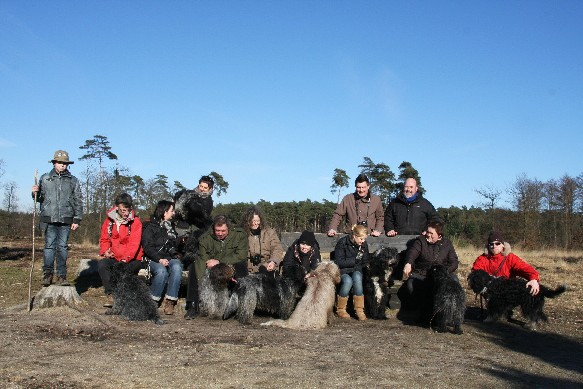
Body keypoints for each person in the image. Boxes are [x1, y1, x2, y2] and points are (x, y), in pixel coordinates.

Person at [32, 150, 83, 286]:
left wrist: (77, 219)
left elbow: (78, 199)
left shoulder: (73, 181)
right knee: (49, 247)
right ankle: (47, 275)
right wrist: (34, 193)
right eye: (60, 162)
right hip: (49, 218)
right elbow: (40, 198)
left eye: (65, 163)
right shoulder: (45, 178)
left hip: (66, 219)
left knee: (62, 247)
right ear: (54, 163)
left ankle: (62, 276)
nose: (62, 165)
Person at [185, 215, 248, 319]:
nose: (220, 233)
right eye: (217, 230)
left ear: (229, 228)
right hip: (213, 267)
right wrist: (200, 279)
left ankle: (242, 306)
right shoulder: (205, 238)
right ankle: (192, 305)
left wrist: (219, 261)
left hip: (230, 263)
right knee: (193, 267)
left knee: (241, 266)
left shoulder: (239, 235)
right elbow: (202, 258)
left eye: (223, 231)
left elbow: (241, 255)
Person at [399, 221, 459, 322]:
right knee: (411, 284)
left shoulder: (447, 244)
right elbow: (412, 253)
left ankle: (449, 314)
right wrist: (409, 263)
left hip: (440, 274)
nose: (428, 235)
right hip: (422, 273)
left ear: (439, 236)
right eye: (428, 232)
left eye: (432, 233)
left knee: (454, 281)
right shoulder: (420, 241)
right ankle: (423, 313)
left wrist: (443, 272)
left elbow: (454, 262)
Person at [174, 175, 215, 319]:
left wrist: (191, 209)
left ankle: (193, 304)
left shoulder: (208, 202)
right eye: (201, 186)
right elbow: (180, 216)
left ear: (210, 189)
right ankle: (191, 304)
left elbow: (201, 218)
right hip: (184, 241)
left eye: (205, 188)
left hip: (198, 242)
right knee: (188, 265)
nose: (202, 190)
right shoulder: (187, 196)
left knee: (194, 267)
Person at [98, 193, 144, 307]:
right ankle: (111, 294)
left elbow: (134, 243)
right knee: (102, 265)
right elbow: (104, 239)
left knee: (123, 270)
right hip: (114, 256)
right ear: (117, 207)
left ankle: (125, 298)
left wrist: (125, 259)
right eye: (123, 210)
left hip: (132, 258)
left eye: (128, 210)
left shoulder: (136, 222)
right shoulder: (109, 221)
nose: (126, 213)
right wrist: (105, 251)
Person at [141, 200, 184, 315]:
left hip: (169, 257)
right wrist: (159, 259)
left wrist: (179, 243)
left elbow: (172, 246)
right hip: (153, 258)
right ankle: (153, 301)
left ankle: (170, 300)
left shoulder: (170, 226)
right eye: (172, 211)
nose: (174, 213)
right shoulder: (149, 227)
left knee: (177, 266)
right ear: (164, 212)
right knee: (161, 271)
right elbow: (147, 247)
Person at [471, 231, 540, 295]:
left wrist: (533, 279)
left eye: (497, 243)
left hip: (508, 292)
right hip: (490, 292)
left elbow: (524, 268)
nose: (494, 246)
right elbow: (475, 273)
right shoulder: (482, 259)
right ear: (488, 246)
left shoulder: (510, 258)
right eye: (491, 244)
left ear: (503, 245)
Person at [333, 224, 370, 321]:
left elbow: (365, 260)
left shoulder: (363, 245)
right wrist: (354, 260)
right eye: (361, 239)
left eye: (364, 239)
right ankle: (340, 309)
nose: (363, 241)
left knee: (357, 277)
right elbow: (339, 261)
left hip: (356, 270)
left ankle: (359, 309)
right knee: (348, 281)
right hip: (343, 270)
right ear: (355, 236)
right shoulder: (342, 242)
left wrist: (366, 266)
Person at [241, 205, 284, 274]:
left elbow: (277, 249)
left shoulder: (270, 232)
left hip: (267, 267)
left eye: (258, 220)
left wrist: (273, 261)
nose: (256, 223)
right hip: (247, 269)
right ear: (247, 221)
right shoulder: (241, 234)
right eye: (253, 221)